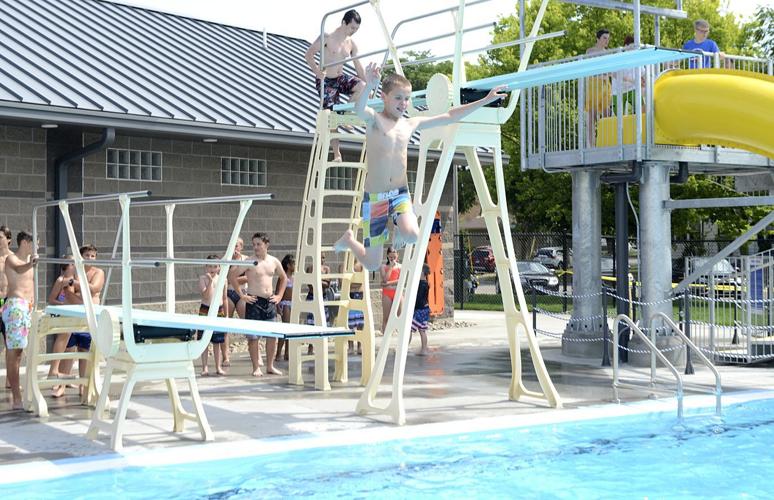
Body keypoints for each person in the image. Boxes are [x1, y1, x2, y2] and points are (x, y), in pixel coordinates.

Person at [333, 63, 506, 270]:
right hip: (376, 199)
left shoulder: (409, 124)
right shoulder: (374, 121)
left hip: (399, 195)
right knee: (371, 264)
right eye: (398, 98)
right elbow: (359, 109)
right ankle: (349, 240)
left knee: (412, 235)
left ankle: (399, 225)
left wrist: (485, 100)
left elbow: (450, 116)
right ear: (384, 97)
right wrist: (369, 85)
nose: (403, 103)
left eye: (407, 98)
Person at [304, 9, 366, 162]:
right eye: (352, 27)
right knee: (332, 115)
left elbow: (358, 67)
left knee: (362, 86)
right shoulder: (327, 37)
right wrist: (317, 72)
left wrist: (370, 84)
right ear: (343, 22)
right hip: (326, 80)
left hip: (340, 78)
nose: (353, 32)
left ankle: (344, 116)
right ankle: (337, 154)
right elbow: (308, 54)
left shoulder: (351, 44)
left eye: (356, 29)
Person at [229, 232, 287, 377]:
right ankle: (256, 367)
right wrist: (242, 295)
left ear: (266, 245)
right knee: (253, 337)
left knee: (272, 336)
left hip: (269, 301)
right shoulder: (250, 261)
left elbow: (284, 277)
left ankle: (270, 366)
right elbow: (232, 276)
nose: (255, 247)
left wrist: (279, 295)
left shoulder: (273, 261)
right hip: (254, 301)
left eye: (258, 244)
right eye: (254, 244)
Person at [59, 244, 105, 398]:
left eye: (93, 256)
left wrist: (76, 284)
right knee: (69, 349)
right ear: (81, 256)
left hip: (89, 318)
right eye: (87, 255)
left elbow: (95, 287)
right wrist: (86, 302)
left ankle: (83, 386)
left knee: (85, 350)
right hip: (75, 315)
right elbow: (68, 292)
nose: (90, 258)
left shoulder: (99, 272)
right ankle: (61, 386)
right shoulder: (73, 270)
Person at [2, 230, 38, 409]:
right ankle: (16, 396)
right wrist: (31, 263)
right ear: (25, 242)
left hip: (27, 308)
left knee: (20, 352)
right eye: (34, 243)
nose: (36, 247)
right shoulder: (13, 259)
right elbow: (18, 269)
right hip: (15, 306)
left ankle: (18, 393)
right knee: (14, 352)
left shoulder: (28, 262)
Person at [47, 257, 76, 397]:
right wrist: (63, 306)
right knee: (63, 340)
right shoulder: (61, 280)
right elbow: (51, 299)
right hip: (63, 314)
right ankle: (54, 371)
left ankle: (66, 376)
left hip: (74, 315)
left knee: (72, 346)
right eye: (72, 263)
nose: (75, 265)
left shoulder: (76, 279)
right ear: (67, 266)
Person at [197, 255, 227, 377]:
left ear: (219, 268)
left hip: (218, 311)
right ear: (206, 267)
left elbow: (224, 298)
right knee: (204, 340)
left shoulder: (223, 279)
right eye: (210, 266)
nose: (212, 268)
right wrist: (209, 282)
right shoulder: (203, 278)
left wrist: (226, 314)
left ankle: (218, 366)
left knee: (217, 341)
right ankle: (205, 367)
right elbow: (205, 296)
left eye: (215, 266)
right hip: (206, 310)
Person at [223, 237, 249, 368]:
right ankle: (226, 357)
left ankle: (254, 353)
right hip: (229, 293)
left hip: (242, 294)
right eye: (232, 245)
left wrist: (233, 279)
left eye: (237, 246)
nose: (235, 248)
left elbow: (248, 277)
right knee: (225, 325)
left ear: (241, 247)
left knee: (247, 324)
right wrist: (234, 276)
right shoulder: (226, 259)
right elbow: (224, 278)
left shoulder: (246, 259)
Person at [584, 29, 612, 146]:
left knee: (606, 116)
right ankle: (592, 146)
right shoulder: (590, 52)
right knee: (592, 117)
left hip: (605, 86)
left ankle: (605, 143)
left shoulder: (608, 53)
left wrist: (606, 75)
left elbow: (611, 71)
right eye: (604, 38)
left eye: (608, 38)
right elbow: (587, 69)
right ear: (598, 39)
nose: (607, 41)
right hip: (593, 86)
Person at [275, 254, 295, 362]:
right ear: (288, 265)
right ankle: (278, 353)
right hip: (285, 304)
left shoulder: (294, 278)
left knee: (291, 331)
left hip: (292, 304)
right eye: (293, 264)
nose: (295, 266)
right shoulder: (283, 278)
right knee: (286, 329)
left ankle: (287, 353)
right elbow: (277, 292)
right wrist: (277, 306)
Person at [0, 225, 12, 389]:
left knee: (11, 344)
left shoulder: (14, 259)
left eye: (0, 237)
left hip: (10, 302)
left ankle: (11, 379)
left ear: (8, 239)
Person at [411, 264, 431, 356]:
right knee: (422, 330)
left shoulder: (421, 284)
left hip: (420, 310)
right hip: (425, 309)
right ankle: (424, 349)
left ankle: (402, 349)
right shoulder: (425, 283)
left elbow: (418, 299)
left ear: (422, 273)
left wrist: (412, 307)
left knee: (408, 329)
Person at [380, 246, 401, 333]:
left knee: (400, 316)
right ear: (387, 256)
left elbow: (401, 280)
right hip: (387, 293)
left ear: (397, 256)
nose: (392, 259)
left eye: (394, 257)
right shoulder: (383, 267)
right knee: (386, 317)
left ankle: (402, 339)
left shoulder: (400, 266)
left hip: (397, 292)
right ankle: (385, 337)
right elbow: (384, 279)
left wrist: (388, 283)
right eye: (391, 257)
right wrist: (391, 268)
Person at [346, 260, 365, 355]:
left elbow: (361, 281)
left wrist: (351, 283)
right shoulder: (345, 264)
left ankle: (359, 346)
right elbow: (343, 282)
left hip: (359, 294)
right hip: (349, 294)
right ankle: (350, 346)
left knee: (360, 322)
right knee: (349, 322)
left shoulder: (361, 264)